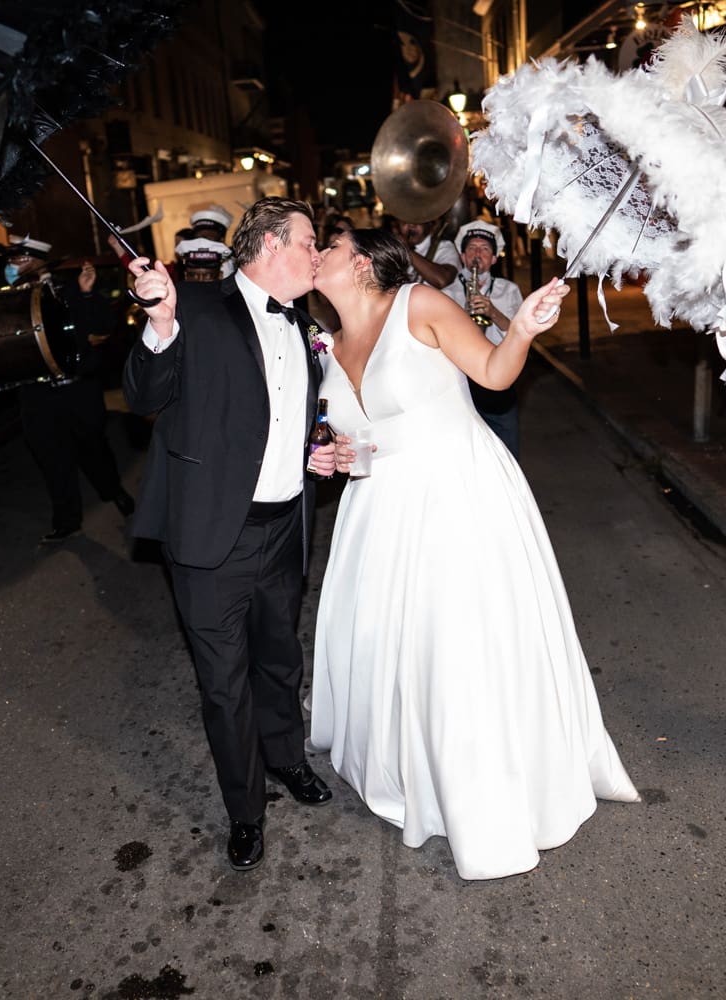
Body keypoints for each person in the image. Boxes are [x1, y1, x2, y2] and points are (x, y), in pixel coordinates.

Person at [308, 229, 639, 881]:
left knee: (459, 643)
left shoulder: (421, 304)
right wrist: (343, 453)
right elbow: (363, 434)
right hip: (379, 511)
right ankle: (413, 771)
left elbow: (492, 372)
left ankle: (482, 793)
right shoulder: (332, 342)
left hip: (458, 494)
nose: (319, 248)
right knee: (397, 643)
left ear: (366, 261)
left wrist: (524, 331)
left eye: (334, 241)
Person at [123, 197, 338, 872]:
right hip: (214, 535)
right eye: (309, 242)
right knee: (224, 683)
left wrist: (315, 448)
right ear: (271, 246)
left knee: (281, 660)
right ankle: (246, 812)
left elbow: (285, 417)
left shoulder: (305, 324)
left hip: (284, 528)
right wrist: (157, 319)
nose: (318, 254)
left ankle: (287, 759)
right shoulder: (197, 308)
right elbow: (144, 393)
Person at [4, 236, 134, 543]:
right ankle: (67, 520)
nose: (10, 266)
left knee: (94, 448)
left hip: (77, 389)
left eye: (17, 260)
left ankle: (113, 490)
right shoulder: (8, 301)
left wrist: (88, 294)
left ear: (36, 261)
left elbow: (103, 324)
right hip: (38, 395)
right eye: (10, 261)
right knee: (52, 458)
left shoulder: (70, 291)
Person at [441, 220, 525, 456]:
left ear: (495, 258)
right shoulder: (447, 293)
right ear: (463, 256)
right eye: (472, 249)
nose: (477, 254)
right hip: (458, 385)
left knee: (507, 455)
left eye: (485, 249)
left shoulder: (508, 290)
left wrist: (493, 313)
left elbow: (519, 336)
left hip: (498, 386)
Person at [395, 217, 460, 289]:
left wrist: (407, 250)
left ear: (429, 224)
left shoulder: (445, 247)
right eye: (405, 221)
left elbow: (442, 281)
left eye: (417, 220)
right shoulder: (395, 249)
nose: (411, 225)